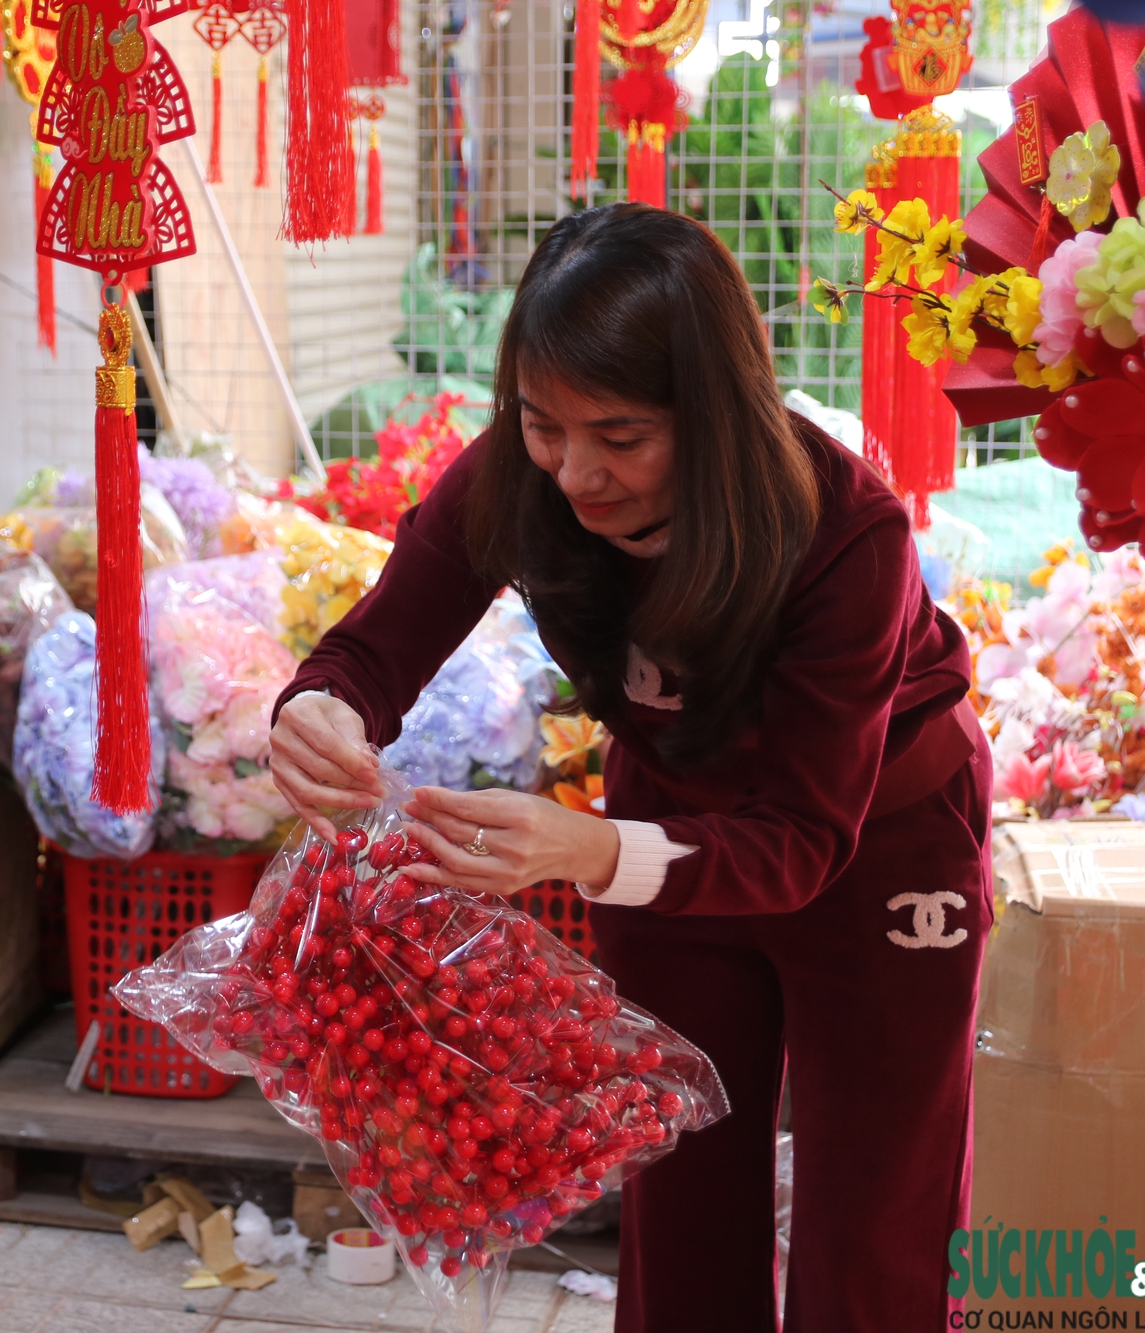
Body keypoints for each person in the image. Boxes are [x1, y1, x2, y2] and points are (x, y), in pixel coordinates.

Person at [269, 203, 990, 1331]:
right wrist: (321, 710)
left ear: (715, 413)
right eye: (542, 425)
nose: (575, 474)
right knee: (680, 1167)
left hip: (877, 842)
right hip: (663, 819)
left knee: (876, 1202)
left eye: (620, 436)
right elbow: (376, 645)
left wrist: (594, 850)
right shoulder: (520, 478)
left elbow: (803, 836)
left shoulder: (844, 535)